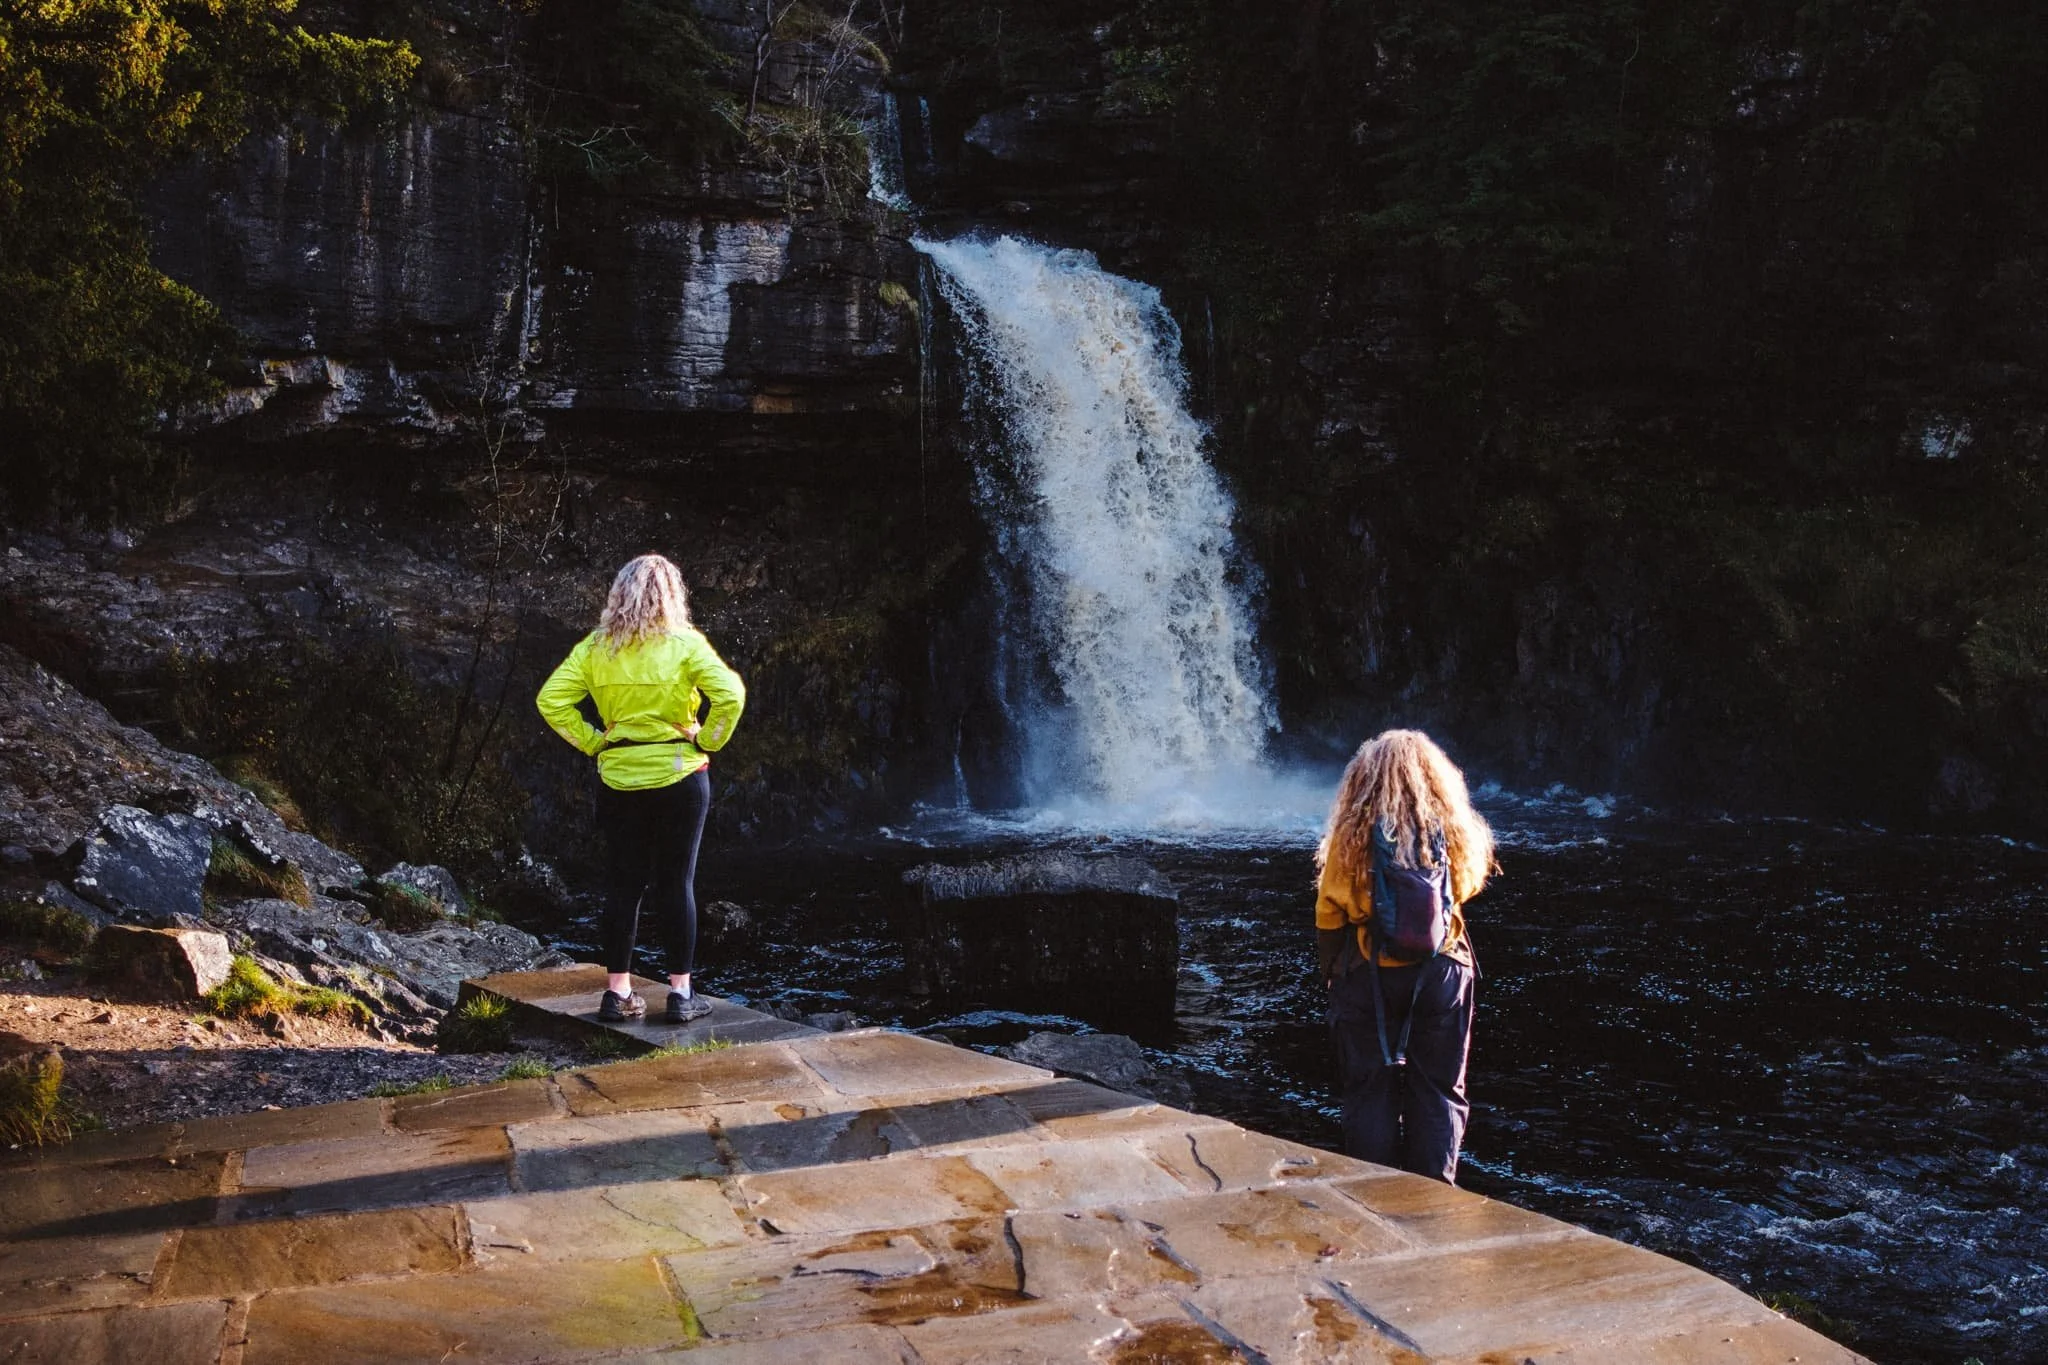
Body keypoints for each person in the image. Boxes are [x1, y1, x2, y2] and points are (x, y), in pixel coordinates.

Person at [537, 554, 745, 1025]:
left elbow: (551, 701)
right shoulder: (686, 644)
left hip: (619, 778)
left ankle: (618, 994)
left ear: (619, 594)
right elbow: (731, 695)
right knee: (676, 883)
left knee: (623, 885)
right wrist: (708, 739)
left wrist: (594, 741)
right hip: (680, 776)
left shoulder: (596, 647)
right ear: (673, 596)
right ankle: (681, 995)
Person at [1316, 729, 1494, 1182]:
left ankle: (1373, 1187)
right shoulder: (1453, 829)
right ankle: (1434, 1192)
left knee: (1369, 1087)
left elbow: (1329, 911)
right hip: (1442, 972)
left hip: (1369, 973)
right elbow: (1469, 884)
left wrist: (1330, 972)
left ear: (1364, 779)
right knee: (1438, 1089)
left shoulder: (1352, 836)